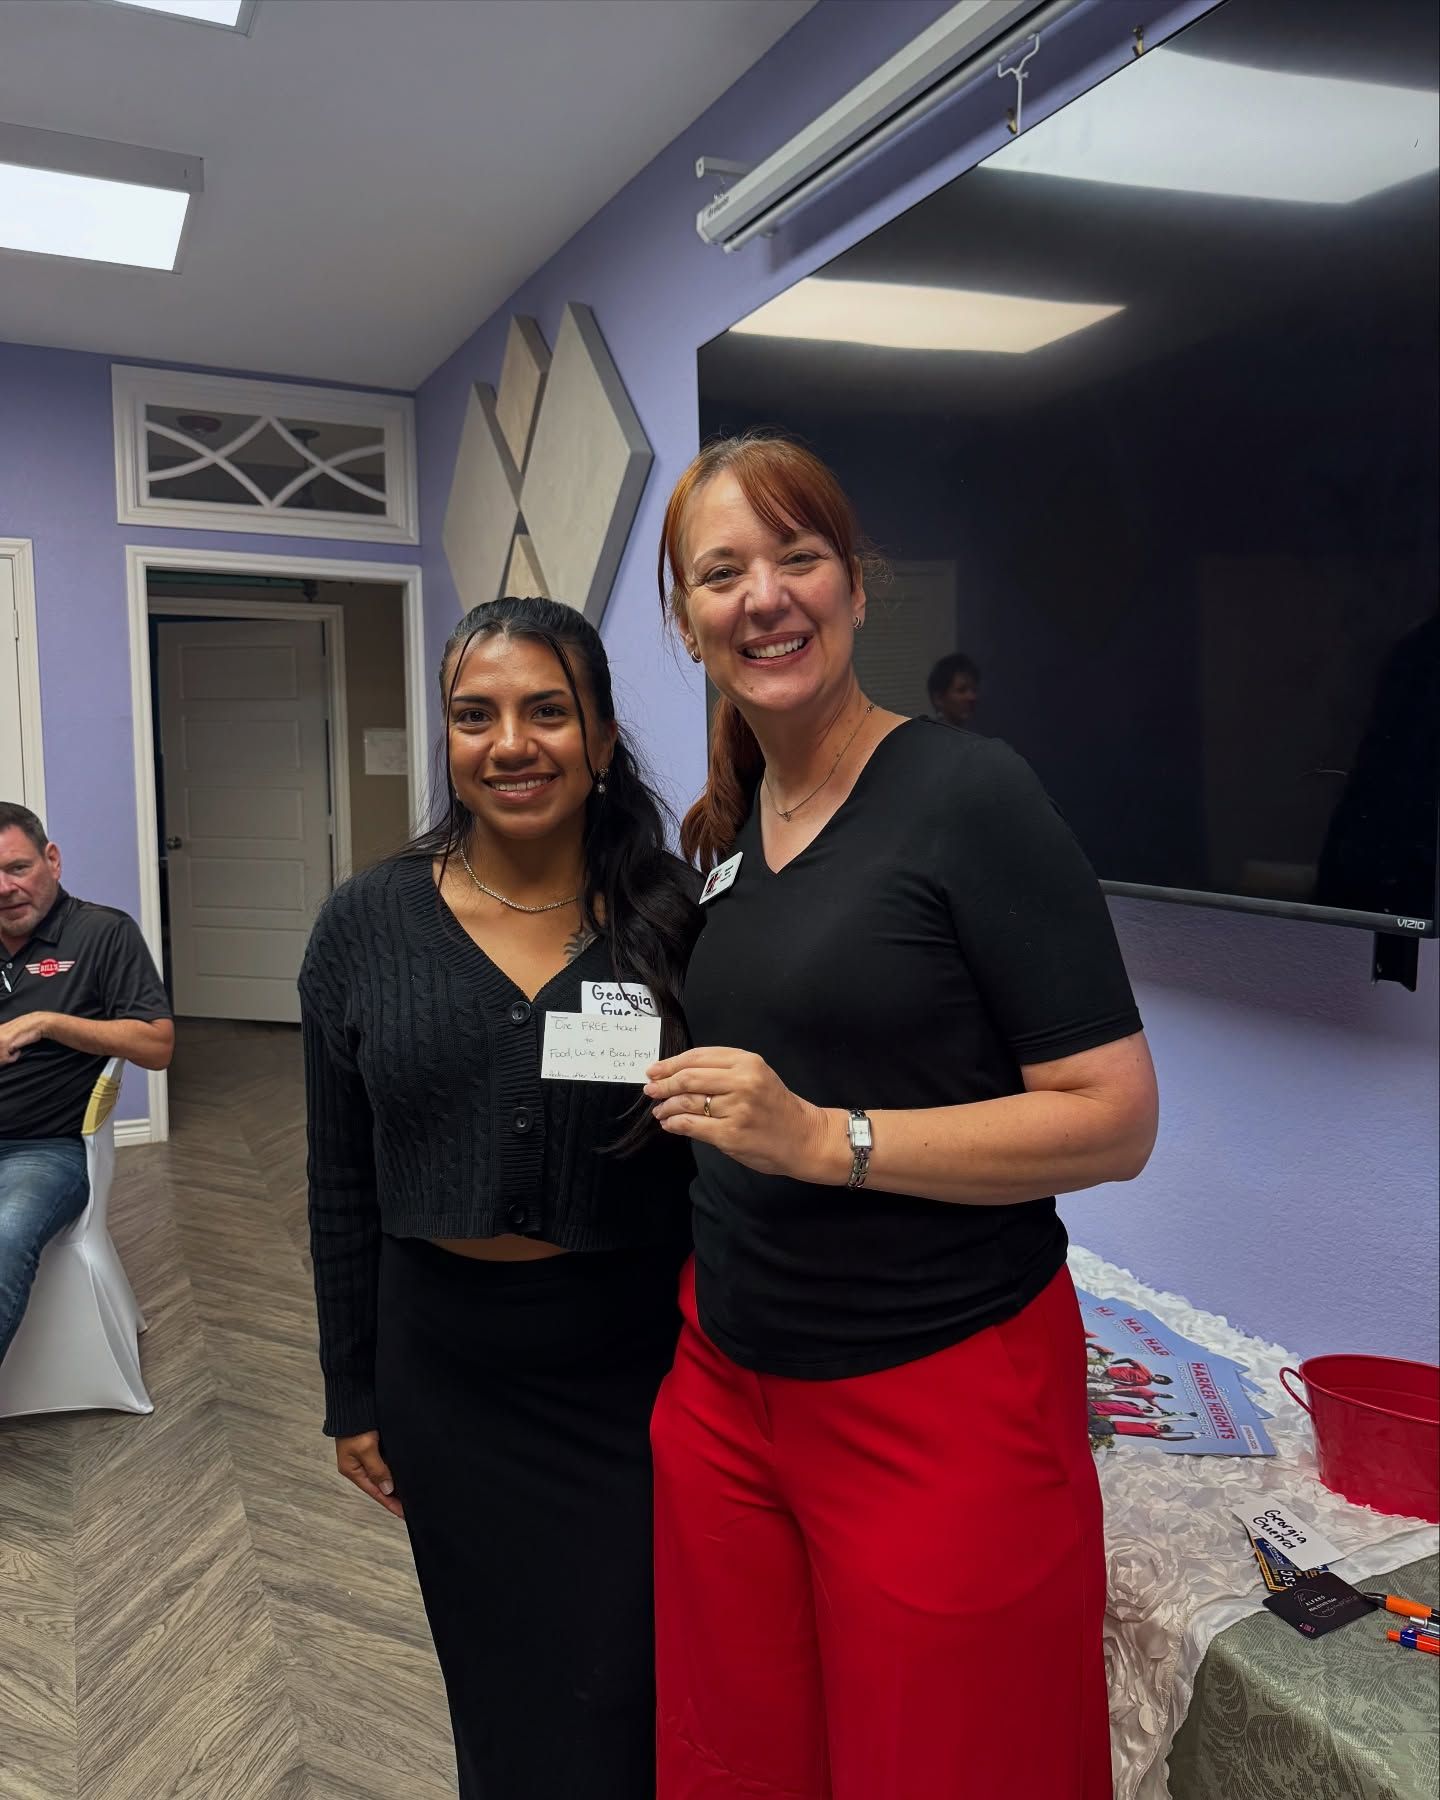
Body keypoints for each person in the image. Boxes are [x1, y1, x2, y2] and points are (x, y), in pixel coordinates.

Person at [645, 434, 1158, 1800]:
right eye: (722, 571)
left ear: (856, 588)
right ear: (685, 619)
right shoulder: (733, 827)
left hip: (934, 1397)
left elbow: (1112, 1120)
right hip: (728, 1387)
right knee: (743, 1762)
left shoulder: (967, 793)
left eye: (796, 556)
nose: (763, 595)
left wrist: (831, 1138)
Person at [299, 597, 699, 1800]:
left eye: (546, 712)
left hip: (633, 1368)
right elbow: (338, 1176)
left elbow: (721, 1162)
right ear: (448, 739)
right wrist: (351, 1389)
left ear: (604, 738)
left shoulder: (674, 923)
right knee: (500, 1685)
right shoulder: (367, 923)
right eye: (476, 716)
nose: (511, 743)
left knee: (626, 1683)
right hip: (449, 1372)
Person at [1, 802, 173, 1361]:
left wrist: (48, 1023)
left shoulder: (102, 932)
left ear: (52, 860)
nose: (4, 889)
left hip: (43, 1149)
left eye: (17, 868)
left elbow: (156, 1046)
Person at [927, 649, 981, 727]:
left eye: (974, 690)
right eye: (961, 690)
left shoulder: (975, 735)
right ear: (938, 698)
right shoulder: (931, 736)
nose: (972, 697)